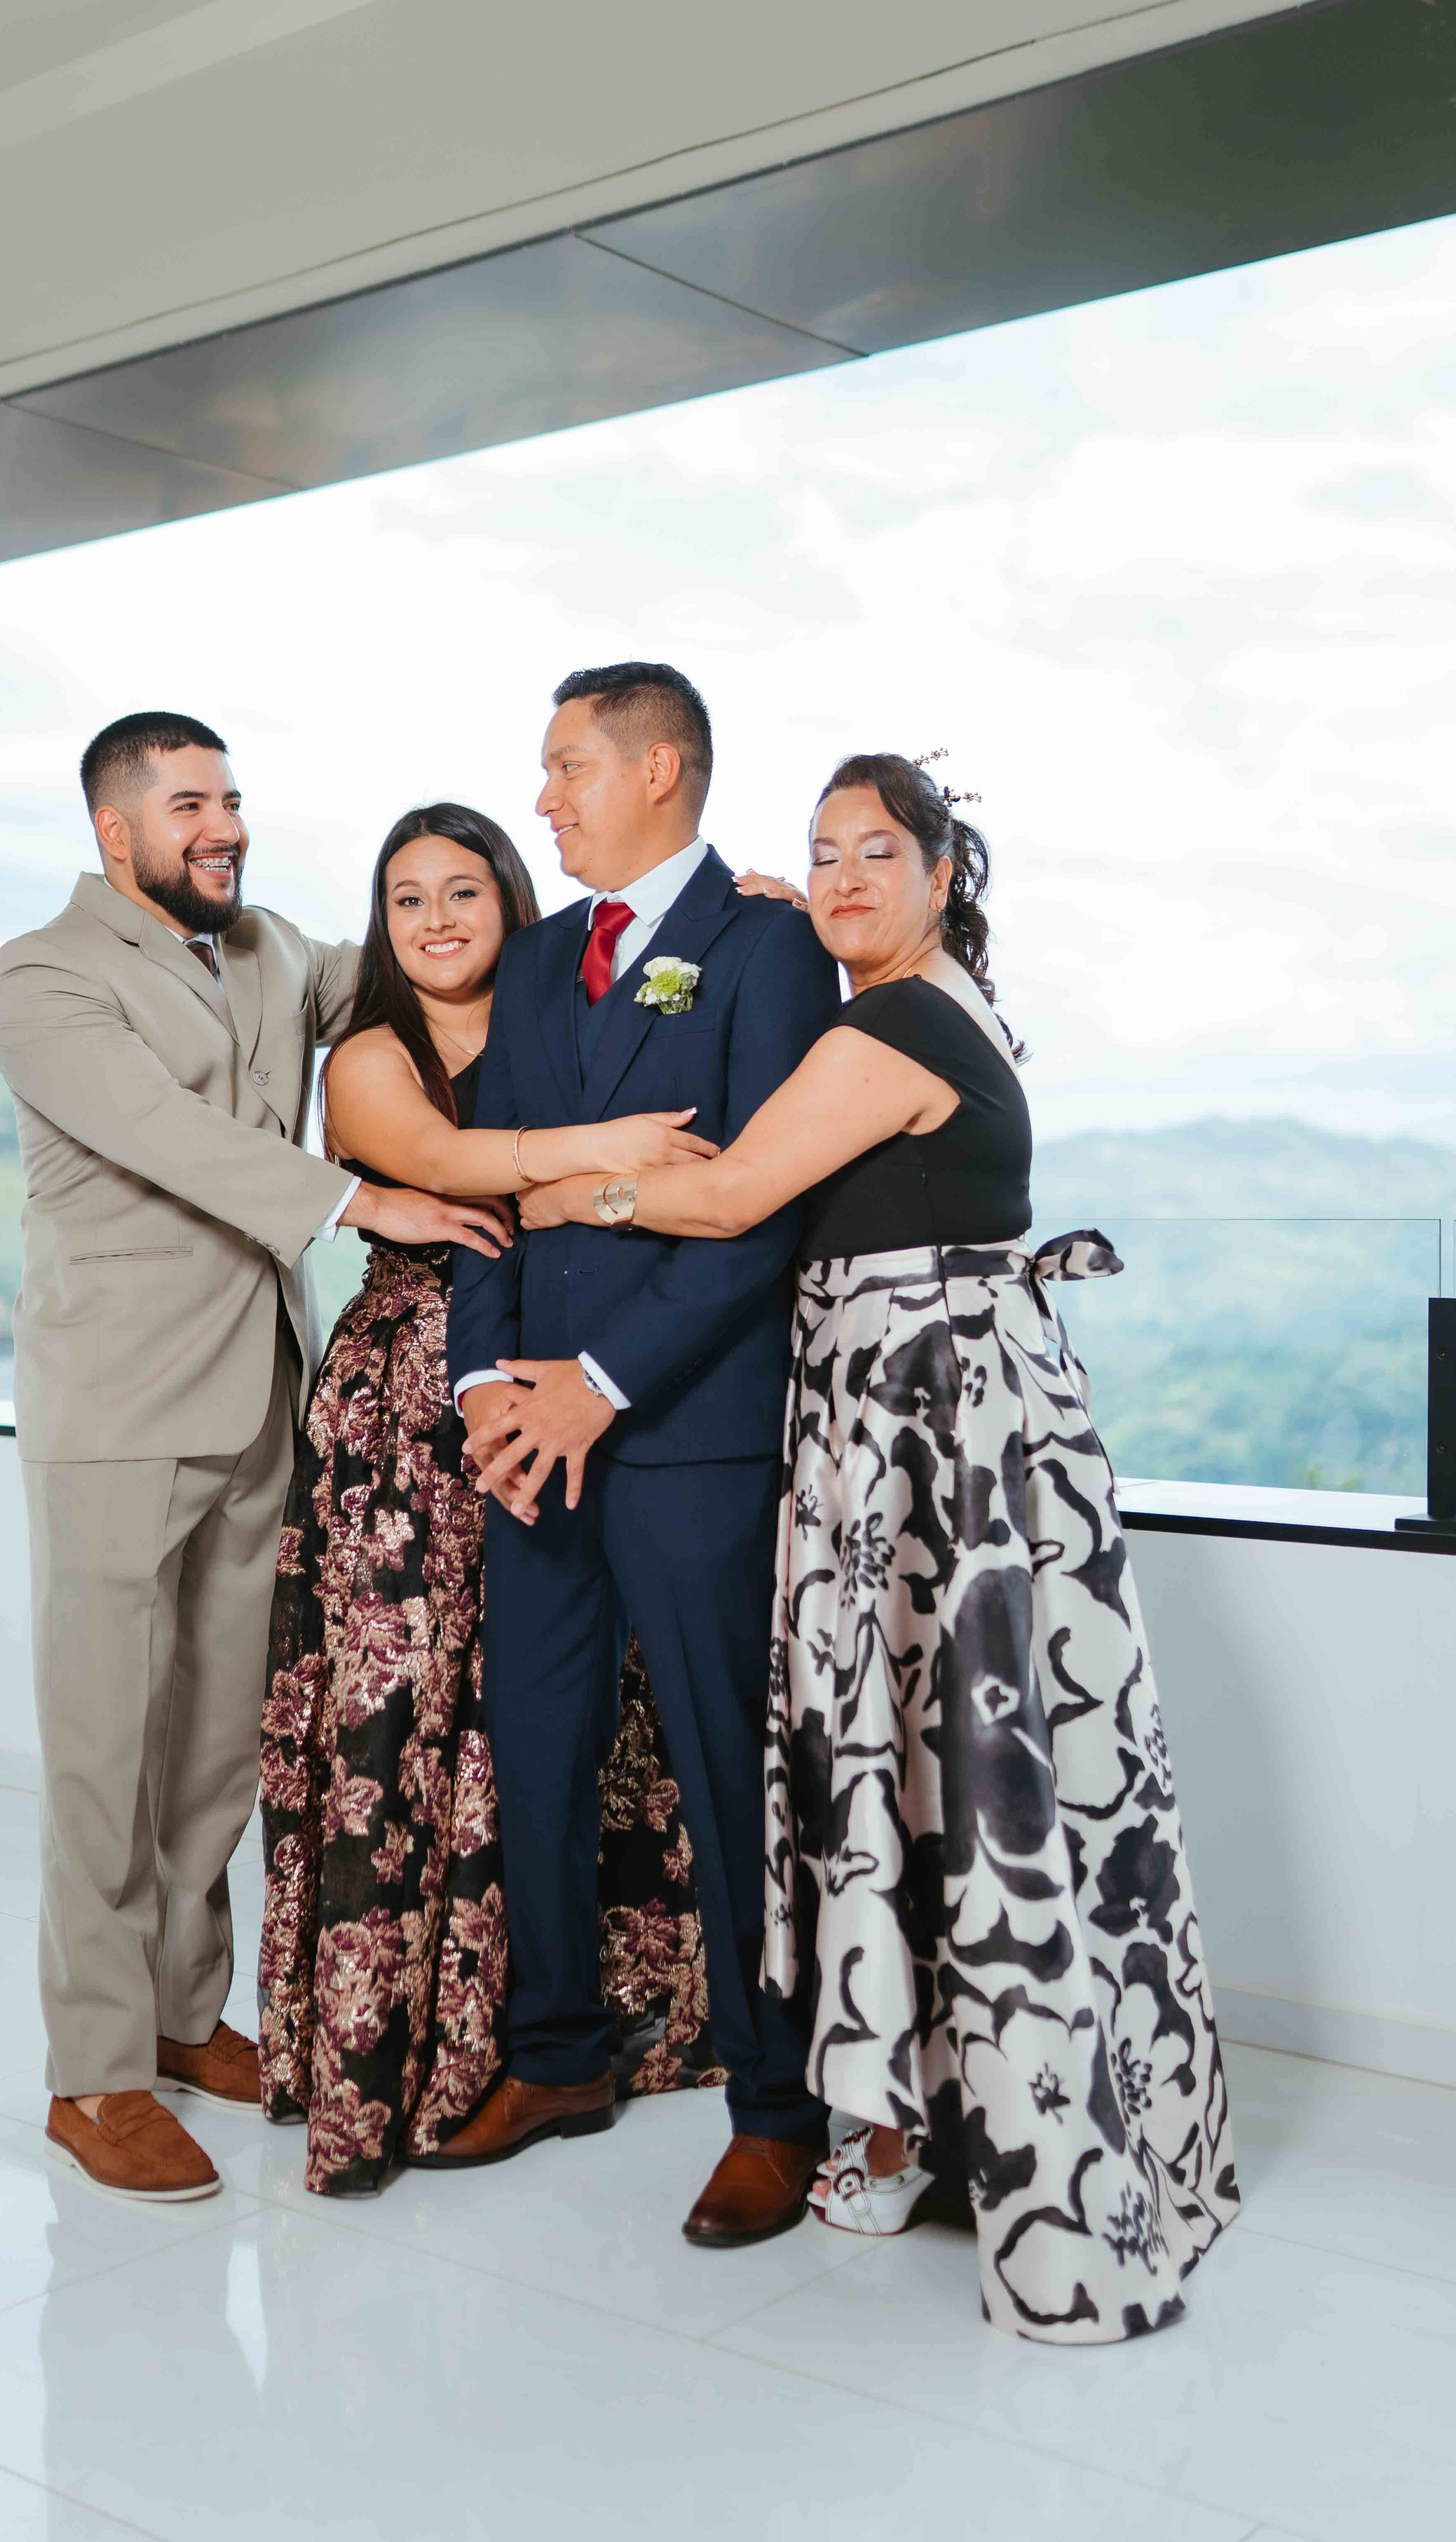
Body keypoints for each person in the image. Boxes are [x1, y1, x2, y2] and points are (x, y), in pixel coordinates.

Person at [521, 750, 1239, 2340]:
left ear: (937, 874)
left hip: (923, 1433)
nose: (841, 879)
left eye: (874, 856)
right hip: (947, 1422)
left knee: (940, 1770)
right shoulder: (944, 1002)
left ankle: (1001, 2140)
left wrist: (575, 1178)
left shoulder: (891, 1022)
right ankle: (962, 2110)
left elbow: (732, 1207)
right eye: (817, 856)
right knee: (944, 1768)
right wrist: (795, 921)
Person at [0, 712, 498, 2205]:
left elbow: (429, 947)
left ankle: (176, 2009)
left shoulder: (269, 947)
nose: (223, 823)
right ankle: (91, 2074)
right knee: (102, 1751)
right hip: (112, 1415)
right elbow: (160, 1134)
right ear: (114, 829)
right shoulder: (44, 975)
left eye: (231, 797)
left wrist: (676, 925)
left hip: (257, 1404)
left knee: (216, 1742)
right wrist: (361, 1200)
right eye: (188, 802)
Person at [257, 802, 737, 2193]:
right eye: (404, 900)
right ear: (383, 927)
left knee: (539, 1723)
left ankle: (561, 2033)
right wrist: (606, 1162)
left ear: (510, 899)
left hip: (564, 1386)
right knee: (398, 1720)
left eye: (462, 889)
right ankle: (392, 2053)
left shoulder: (566, 1019)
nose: (435, 919)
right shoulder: (367, 1057)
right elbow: (464, 1169)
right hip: (408, 1416)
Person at [446, 663, 841, 2248]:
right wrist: (488, 1381)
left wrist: (598, 1383)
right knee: (532, 1746)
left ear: (661, 767)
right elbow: (494, 1185)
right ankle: (554, 2055)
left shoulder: (765, 945)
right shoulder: (538, 962)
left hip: (684, 1430)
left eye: (565, 767)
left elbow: (762, 1208)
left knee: (719, 1764)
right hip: (529, 1425)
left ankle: (774, 2104)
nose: (542, 798)